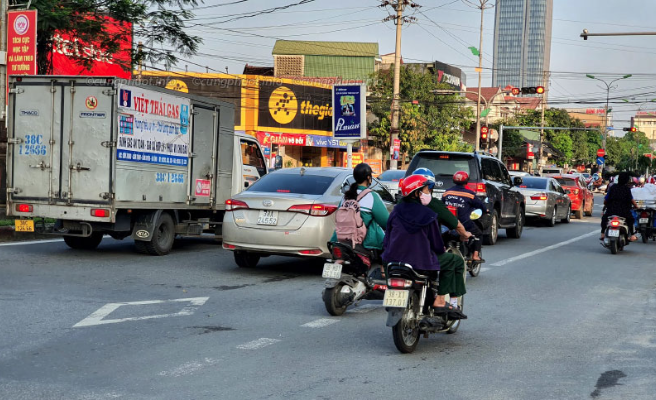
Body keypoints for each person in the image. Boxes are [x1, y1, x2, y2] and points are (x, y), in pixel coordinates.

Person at [382, 174, 467, 319]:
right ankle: (440, 300)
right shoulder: (429, 215)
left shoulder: (395, 211)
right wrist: (439, 251)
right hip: (420, 262)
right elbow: (437, 246)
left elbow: (387, 238)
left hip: (393, 261)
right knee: (456, 261)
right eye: (427, 190)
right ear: (417, 193)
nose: (429, 194)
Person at [331, 163, 389, 254]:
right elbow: (385, 222)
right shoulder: (372, 196)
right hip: (366, 243)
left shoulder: (345, 196)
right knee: (385, 255)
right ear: (369, 178)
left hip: (340, 239)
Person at [442, 171, 488, 261]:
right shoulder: (470, 194)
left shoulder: (447, 193)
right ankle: (475, 256)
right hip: (464, 223)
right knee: (478, 234)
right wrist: (486, 210)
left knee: (443, 236)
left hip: (447, 223)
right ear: (466, 181)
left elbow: (442, 204)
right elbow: (480, 205)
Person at [601, 172, 638, 241]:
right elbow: (631, 200)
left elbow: (606, 200)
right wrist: (636, 206)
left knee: (604, 218)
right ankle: (632, 235)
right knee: (630, 220)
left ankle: (602, 233)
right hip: (624, 212)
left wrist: (606, 204)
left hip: (611, 210)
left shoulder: (613, 188)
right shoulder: (627, 189)